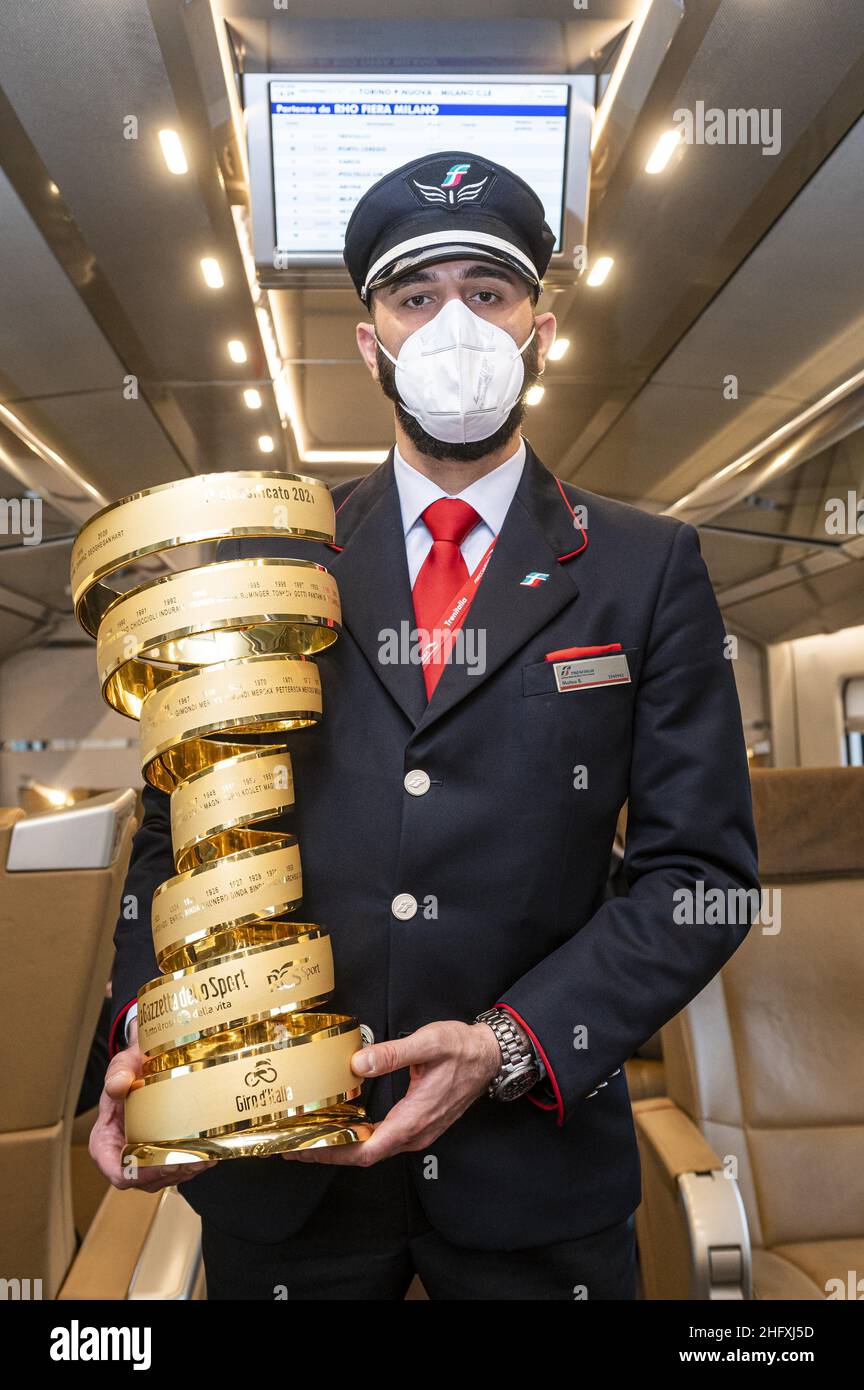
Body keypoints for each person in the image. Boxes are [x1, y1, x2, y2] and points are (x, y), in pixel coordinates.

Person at [90, 150, 759, 1300]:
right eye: (416, 296)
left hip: (534, 1178)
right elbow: (178, 846)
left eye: (488, 293)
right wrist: (148, 1040)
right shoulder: (276, 566)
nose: (457, 325)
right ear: (370, 341)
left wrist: (506, 1044)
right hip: (285, 1165)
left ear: (539, 326)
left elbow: (698, 873)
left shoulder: (647, 568)